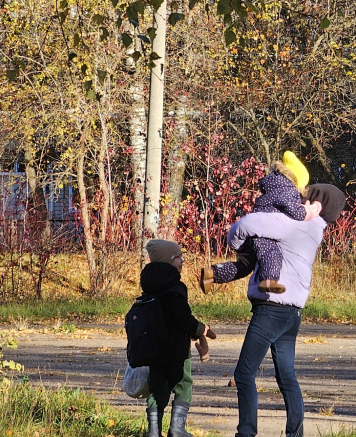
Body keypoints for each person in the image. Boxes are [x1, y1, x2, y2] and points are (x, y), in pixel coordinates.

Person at [227, 184, 345, 437]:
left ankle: (245, 433)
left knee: (244, 373)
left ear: (316, 204)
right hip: (291, 313)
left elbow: (245, 224)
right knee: (287, 378)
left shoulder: (294, 225)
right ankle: (295, 434)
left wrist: (237, 246)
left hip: (271, 309)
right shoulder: (314, 229)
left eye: (304, 198)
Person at [200, 151, 315, 294]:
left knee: (245, 265)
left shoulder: (273, 189)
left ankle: (212, 274)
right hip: (263, 234)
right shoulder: (287, 191)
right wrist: (309, 211)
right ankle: (268, 281)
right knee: (271, 253)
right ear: (296, 180)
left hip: (251, 234)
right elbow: (296, 213)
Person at [141, 239, 217, 437]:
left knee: (158, 387)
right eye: (178, 258)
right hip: (176, 349)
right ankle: (177, 429)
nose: (182, 261)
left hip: (154, 349)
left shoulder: (150, 284)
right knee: (184, 384)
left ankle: (153, 431)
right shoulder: (175, 287)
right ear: (168, 261)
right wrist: (200, 329)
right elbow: (182, 318)